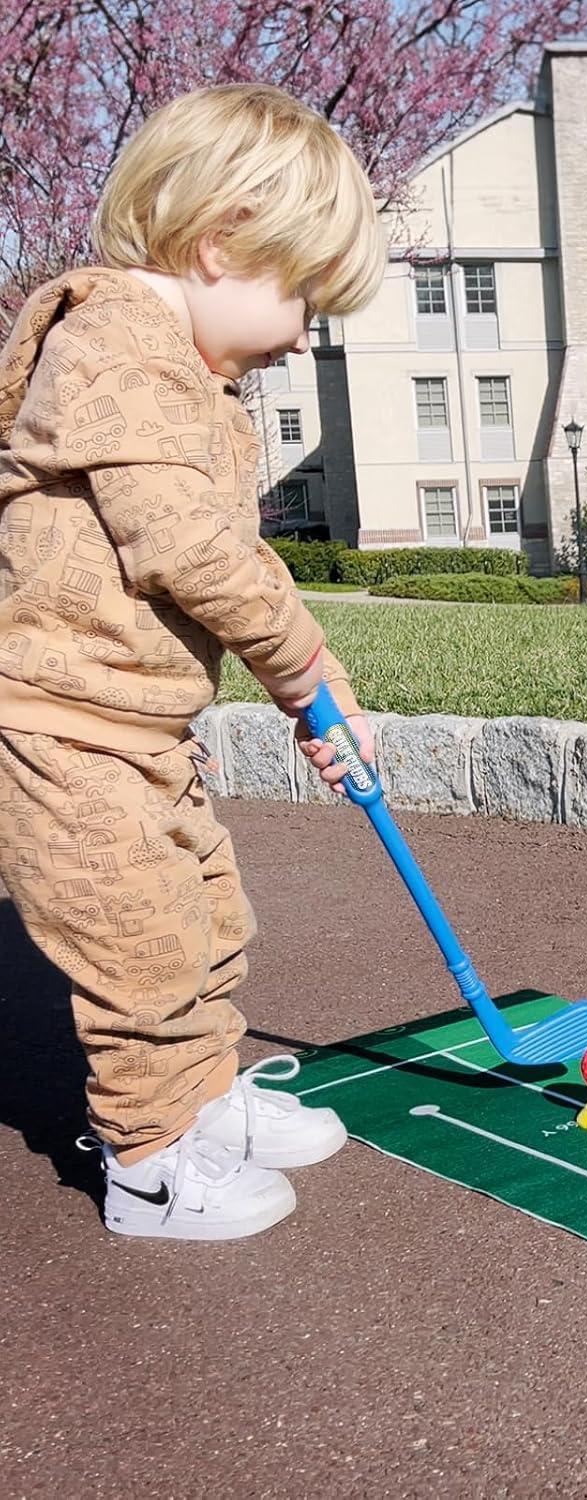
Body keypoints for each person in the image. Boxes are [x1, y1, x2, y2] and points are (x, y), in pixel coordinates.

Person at [0, 83, 387, 1240]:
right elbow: (194, 548)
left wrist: (317, 690)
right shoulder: (119, 345)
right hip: (60, 727)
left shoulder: (184, 372)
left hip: (135, 727)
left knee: (207, 918)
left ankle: (201, 1097)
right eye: (302, 293)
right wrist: (307, 669)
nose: (307, 331)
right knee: (140, 946)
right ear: (219, 247)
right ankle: (150, 1164)